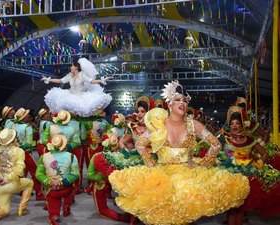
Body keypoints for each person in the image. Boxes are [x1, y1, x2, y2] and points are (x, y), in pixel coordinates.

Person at [109, 80, 250, 225]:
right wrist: (150, 162)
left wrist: (204, 163)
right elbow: (140, 144)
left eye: (184, 100)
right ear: (169, 104)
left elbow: (216, 144)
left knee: (185, 214)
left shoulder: (193, 125)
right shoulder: (159, 125)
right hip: (162, 176)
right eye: (177, 100)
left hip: (188, 175)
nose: (182, 103)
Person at [217, 106, 280, 225]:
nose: (235, 126)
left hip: (247, 178)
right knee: (232, 208)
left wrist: (257, 165)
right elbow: (217, 153)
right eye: (232, 124)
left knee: (241, 208)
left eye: (237, 123)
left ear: (242, 126)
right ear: (230, 126)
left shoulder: (250, 140)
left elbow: (264, 154)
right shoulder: (225, 139)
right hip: (230, 177)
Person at [0, 128, 33, 225]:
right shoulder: (19, 151)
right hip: (12, 183)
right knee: (30, 183)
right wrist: (7, 179)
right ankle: (22, 209)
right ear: (14, 138)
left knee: (5, 210)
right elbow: (19, 170)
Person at [41, 58, 112, 117]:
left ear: (76, 67)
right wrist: (48, 79)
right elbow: (60, 80)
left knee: (81, 111)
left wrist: (102, 80)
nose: (70, 67)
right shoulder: (70, 76)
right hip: (70, 95)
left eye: (72, 66)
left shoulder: (82, 75)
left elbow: (91, 81)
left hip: (80, 96)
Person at [36, 134, 79, 225]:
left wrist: (50, 182)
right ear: (64, 145)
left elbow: (38, 174)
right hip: (66, 188)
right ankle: (66, 206)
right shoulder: (71, 156)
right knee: (71, 187)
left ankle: (54, 216)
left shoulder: (43, 157)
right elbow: (75, 175)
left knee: (53, 211)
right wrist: (61, 182)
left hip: (51, 189)